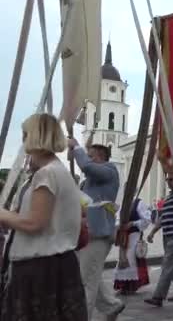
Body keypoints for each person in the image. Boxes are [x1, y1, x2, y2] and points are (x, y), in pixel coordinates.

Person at [0, 113, 87, 320]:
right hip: (54, 265)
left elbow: (34, 223)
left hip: (41, 268)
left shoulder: (47, 174)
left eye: (24, 134)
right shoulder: (57, 171)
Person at [68, 135, 125, 320]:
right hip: (86, 235)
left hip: (98, 236)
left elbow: (86, 166)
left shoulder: (110, 170)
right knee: (92, 275)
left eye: (90, 155)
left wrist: (77, 148)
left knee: (86, 281)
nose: (87, 159)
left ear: (100, 157)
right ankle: (112, 306)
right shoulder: (87, 182)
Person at [144, 170, 173, 306]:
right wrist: (152, 232)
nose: (168, 182)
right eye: (167, 180)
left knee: (168, 262)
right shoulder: (168, 198)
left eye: (171, 179)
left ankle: (158, 296)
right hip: (167, 235)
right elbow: (163, 218)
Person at [114, 198, 151, 295]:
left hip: (134, 234)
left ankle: (131, 286)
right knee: (123, 258)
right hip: (123, 235)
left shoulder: (139, 203)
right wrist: (119, 225)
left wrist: (133, 223)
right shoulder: (123, 204)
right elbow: (117, 218)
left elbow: (146, 220)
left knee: (131, 258)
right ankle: (123, 285)